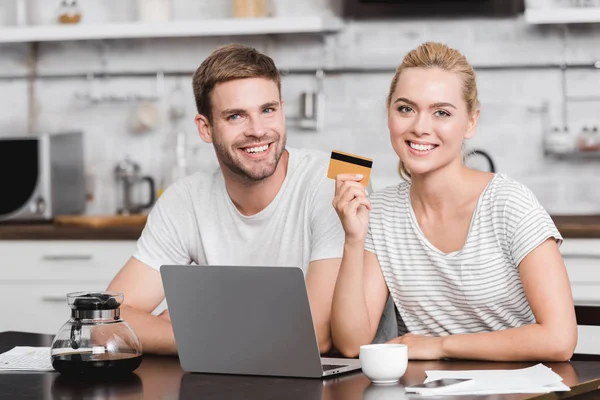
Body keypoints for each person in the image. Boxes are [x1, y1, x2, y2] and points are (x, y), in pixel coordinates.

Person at [330, 42, 577, 361]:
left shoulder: (508, 203)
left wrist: (439, 346)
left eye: (441, 112)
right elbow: (352, 344)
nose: (420, 127)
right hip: (430, 389)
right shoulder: (381, 211)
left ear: (471, 122)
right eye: (405, 108)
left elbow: (559, 339)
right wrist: (353, 239)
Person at [107, 44, 346, 355]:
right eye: (236, 116)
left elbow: (315, 337)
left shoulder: (338, 176)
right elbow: (105, 322)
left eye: (268, 110)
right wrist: (201, 336)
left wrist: (196, 324)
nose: (258, 130)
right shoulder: (184, 199)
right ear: (205, 128)